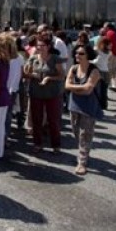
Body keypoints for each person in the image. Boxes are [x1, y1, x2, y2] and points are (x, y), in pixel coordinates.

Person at [65, 44, 103, 175]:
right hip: (74, 105)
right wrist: (80, 87)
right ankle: (84, 152)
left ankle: (82, 162)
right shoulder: (74, 68)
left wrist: (74, 87)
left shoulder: (94, 71)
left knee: (85, 134)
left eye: (81, 54)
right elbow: (67, 85)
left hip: (89, 106)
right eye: (76, 53)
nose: (77, 55)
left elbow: (88, 90)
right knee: (75, 131)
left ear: (88, 56)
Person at [24, 36, 65, 154]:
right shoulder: (33, 58)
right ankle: (37, 144)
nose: (39, 48)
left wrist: (49, 78)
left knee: (53, 120)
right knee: (36, 119)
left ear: (48, 47)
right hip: (36, 93)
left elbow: (61, 75)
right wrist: (31, 74)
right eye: (38, 45)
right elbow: (26, 73)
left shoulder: (55, 59)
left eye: (42, 45)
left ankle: (56, 145)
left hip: (52, 94)